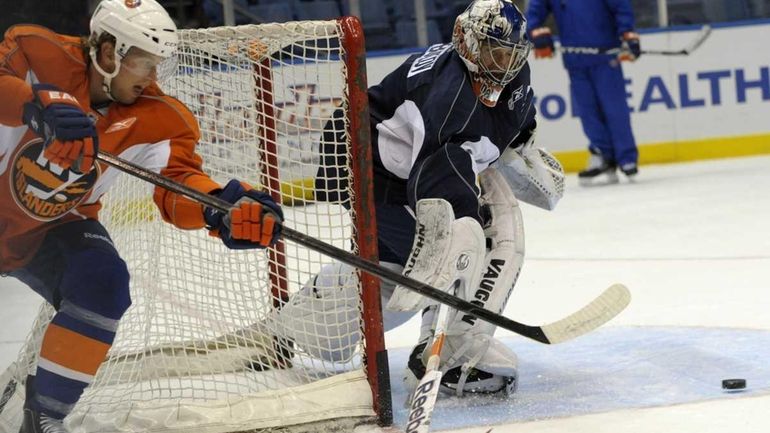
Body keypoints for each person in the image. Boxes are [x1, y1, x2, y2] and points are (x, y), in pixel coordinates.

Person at [0, 1, 283, 431]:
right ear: (110, 52)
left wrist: (218, 208)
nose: (152, 77)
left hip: (49, 229)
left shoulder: (161, 118)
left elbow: (179, 185)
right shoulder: (37, 53)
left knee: (103, 283)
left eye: (157, 65)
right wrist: (35, 104)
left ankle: (43, 420)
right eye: (143, 63)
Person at [274, 0, 565, 399]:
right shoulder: (449, 103)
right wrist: (459, 241)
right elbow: (435, 187)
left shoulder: (507, 72)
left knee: (402, 264)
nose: (503, 64)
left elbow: (511, 118)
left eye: (511, 54)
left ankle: (301, 329)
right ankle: (441, 356)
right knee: (449, 251)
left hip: (396, 158)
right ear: (467, 42)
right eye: (494, 53)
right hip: (361, 163)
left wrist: (523, 145)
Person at [526, 0, 641, 185]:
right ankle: (602, 155)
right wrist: (535, 31)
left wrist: (627, 32)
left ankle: (627, 158)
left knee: (615, 108)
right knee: (588, 112)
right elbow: (535, 9)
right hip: (575, 60)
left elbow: (620, 5)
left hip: (606, 56)